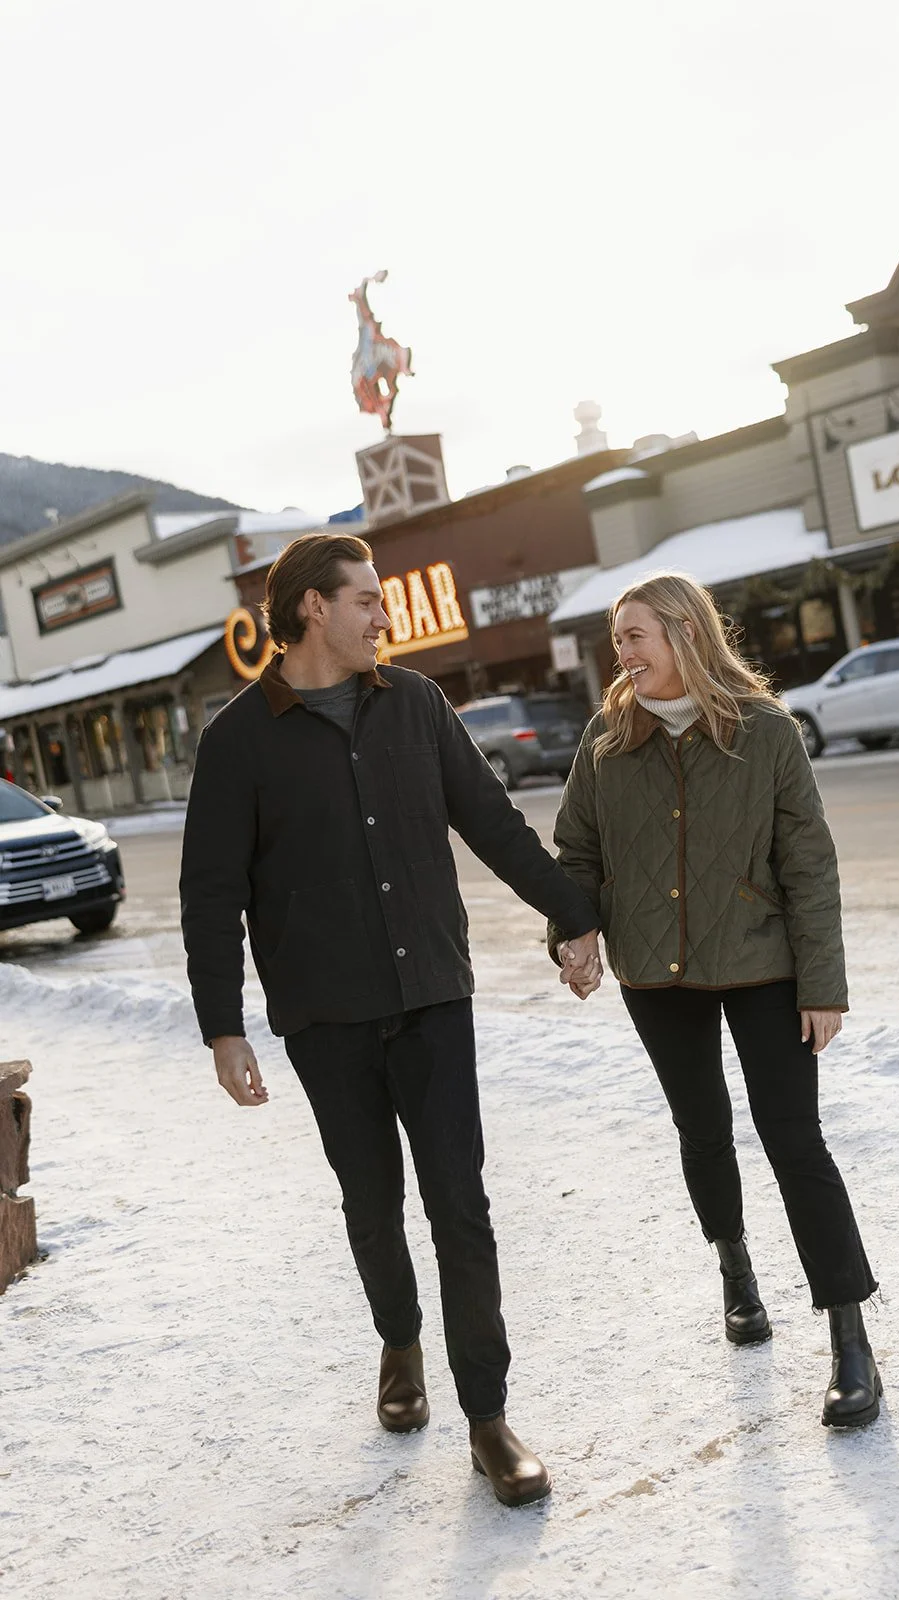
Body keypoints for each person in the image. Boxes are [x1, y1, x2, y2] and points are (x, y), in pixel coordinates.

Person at [180, 532, 601, 1506]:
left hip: (431, 1003)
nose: (384, 615)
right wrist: (222, 1024)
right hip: (324, 1020)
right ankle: (399, 1342)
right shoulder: (237, 739)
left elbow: (492, 822)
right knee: (371, 1203)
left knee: (461, 1203)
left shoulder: (415, 704)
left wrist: (571, 914)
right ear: (311, 610)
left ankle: (488, 1419)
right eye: (366, 600)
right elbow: (210, 894)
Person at [549, 572, 881, 1428]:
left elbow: (808, 860)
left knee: (792, 1140)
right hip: (653, 972)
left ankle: (850, 1341)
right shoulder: (605, 736)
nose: (619, 652)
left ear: (686, 635)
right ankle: (735, 1272)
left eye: (634, 635)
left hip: (762, 964)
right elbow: (576, 850)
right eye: (616, 638)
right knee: (700, 1126)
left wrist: (823, 984)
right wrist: (571, 934)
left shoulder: (765, 730)